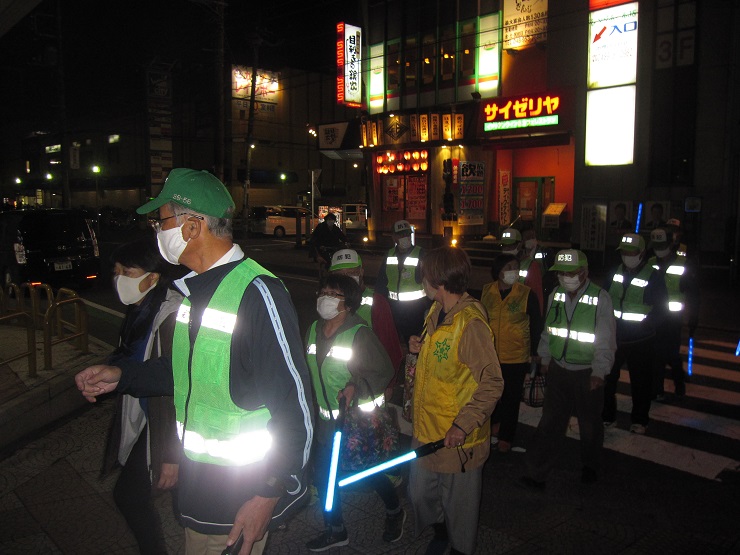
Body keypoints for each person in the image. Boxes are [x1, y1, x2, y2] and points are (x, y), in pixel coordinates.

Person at [75, 168, 314, 555]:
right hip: (199, 494)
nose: (157, 229)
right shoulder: (193, 293)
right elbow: (184, 371)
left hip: (237, 504)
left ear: (190, 227)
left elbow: (295, 405)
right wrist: (122, 375)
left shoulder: (258, 293)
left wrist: (268, 494)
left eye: (162, 220)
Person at [408, 246, 504, 555]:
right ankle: (440, 532)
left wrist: (463, 424)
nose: (422, 281)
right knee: (421, 493)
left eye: (425, 276)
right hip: (426, 430)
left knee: (459, 506)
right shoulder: (435, 312)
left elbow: (492, 383)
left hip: (456, 439)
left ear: (439, 281)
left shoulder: (471, 325)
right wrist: (417, 347)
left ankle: (459, 547)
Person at [304, 274, 405, 551]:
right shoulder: (313, 328)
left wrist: (354, 387)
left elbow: (383, 371)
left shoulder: (359, 333)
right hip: (326, 421)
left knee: (368, 472)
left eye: (333, 294)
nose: (325, 297)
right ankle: (336, 529)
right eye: (323, 291)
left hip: (355, 422)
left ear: (348, 303)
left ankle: (395, 510)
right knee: (324, 477)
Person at [103, 236, 182, 554]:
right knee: (184, 507)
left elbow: (178, 384)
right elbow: (129, 357)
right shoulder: (138, 311)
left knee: (130, 496)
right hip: (148, 418)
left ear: (153, 276)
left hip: (169, 426)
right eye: (116, 270)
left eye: (128, 271)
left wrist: (170, 456)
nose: (119, 278)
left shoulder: (173, 314)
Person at [519, 250, 616, 488]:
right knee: (550, 423)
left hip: (586, 372)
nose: (566, 277)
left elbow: (606, 339)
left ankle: (590, 466)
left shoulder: (600, 298)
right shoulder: (556, 295)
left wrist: (599, 372)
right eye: (562, 273)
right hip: (559, 370)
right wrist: (544, 357)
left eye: (571, 272)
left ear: (584, 273)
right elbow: (549, 330)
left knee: (590, 424)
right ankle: (537, 473)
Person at [603, 233, 668, 435]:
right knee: (607, 379)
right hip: (615, 336)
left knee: (641, 382)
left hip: (641, 339)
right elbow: (604, 298)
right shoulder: (614, 272)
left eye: (631, 252)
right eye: (623, 252)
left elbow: (662, 308)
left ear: (641, 253)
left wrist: (648, 325)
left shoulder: (653, 276)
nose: (627, 255)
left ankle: (640, 420)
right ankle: (607, 416)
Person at [481, 254, 542, 453]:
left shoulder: (526, 293)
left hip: (516, 356)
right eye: (508, 267)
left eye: (515, 267)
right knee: (491, 395)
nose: (513, 271)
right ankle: (495, 424)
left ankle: (506, 436)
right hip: (491, 355)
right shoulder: (486, 291)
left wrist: (535, 352)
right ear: (498, 270)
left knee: (511, 397)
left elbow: (536, 324)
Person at [328, 249, 403, 397]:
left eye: (351, 272)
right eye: (340, 275)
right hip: (337, 389)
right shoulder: (329, 305)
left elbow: (390, 347)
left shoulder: (377, 304)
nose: (346, 279)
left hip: (368, 389)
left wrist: (389, 385)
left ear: (361, 272)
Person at [648, 228, 699, 398]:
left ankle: (678, 383)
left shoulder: (682, 264)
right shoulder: (651, 262)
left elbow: (693, 292)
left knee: (670, 354)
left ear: (671, 244)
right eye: (656, 245)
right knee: (656, 354)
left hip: (673, 317)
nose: (659, 249)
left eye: (662, 245)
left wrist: (694, 316)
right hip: (655, 316)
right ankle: (658, 389)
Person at [375, 220, 431, 343]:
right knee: (394, 341)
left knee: (414, 341)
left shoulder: (421, 253)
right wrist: (380, 303)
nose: (404, 238)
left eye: (406, 234)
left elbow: (430, 281)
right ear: (394, 237)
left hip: (415, 309)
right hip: (393, 308)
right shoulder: (389, 254)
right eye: (400, 235)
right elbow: (381, 281)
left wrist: (429, 307)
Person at [499, 227, 544, 314]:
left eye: (510, 245)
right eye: (504, 246)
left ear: (519, 245)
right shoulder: (499, 264)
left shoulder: (531, 265)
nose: (507, 249)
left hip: (523, 315)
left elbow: (537, 296)